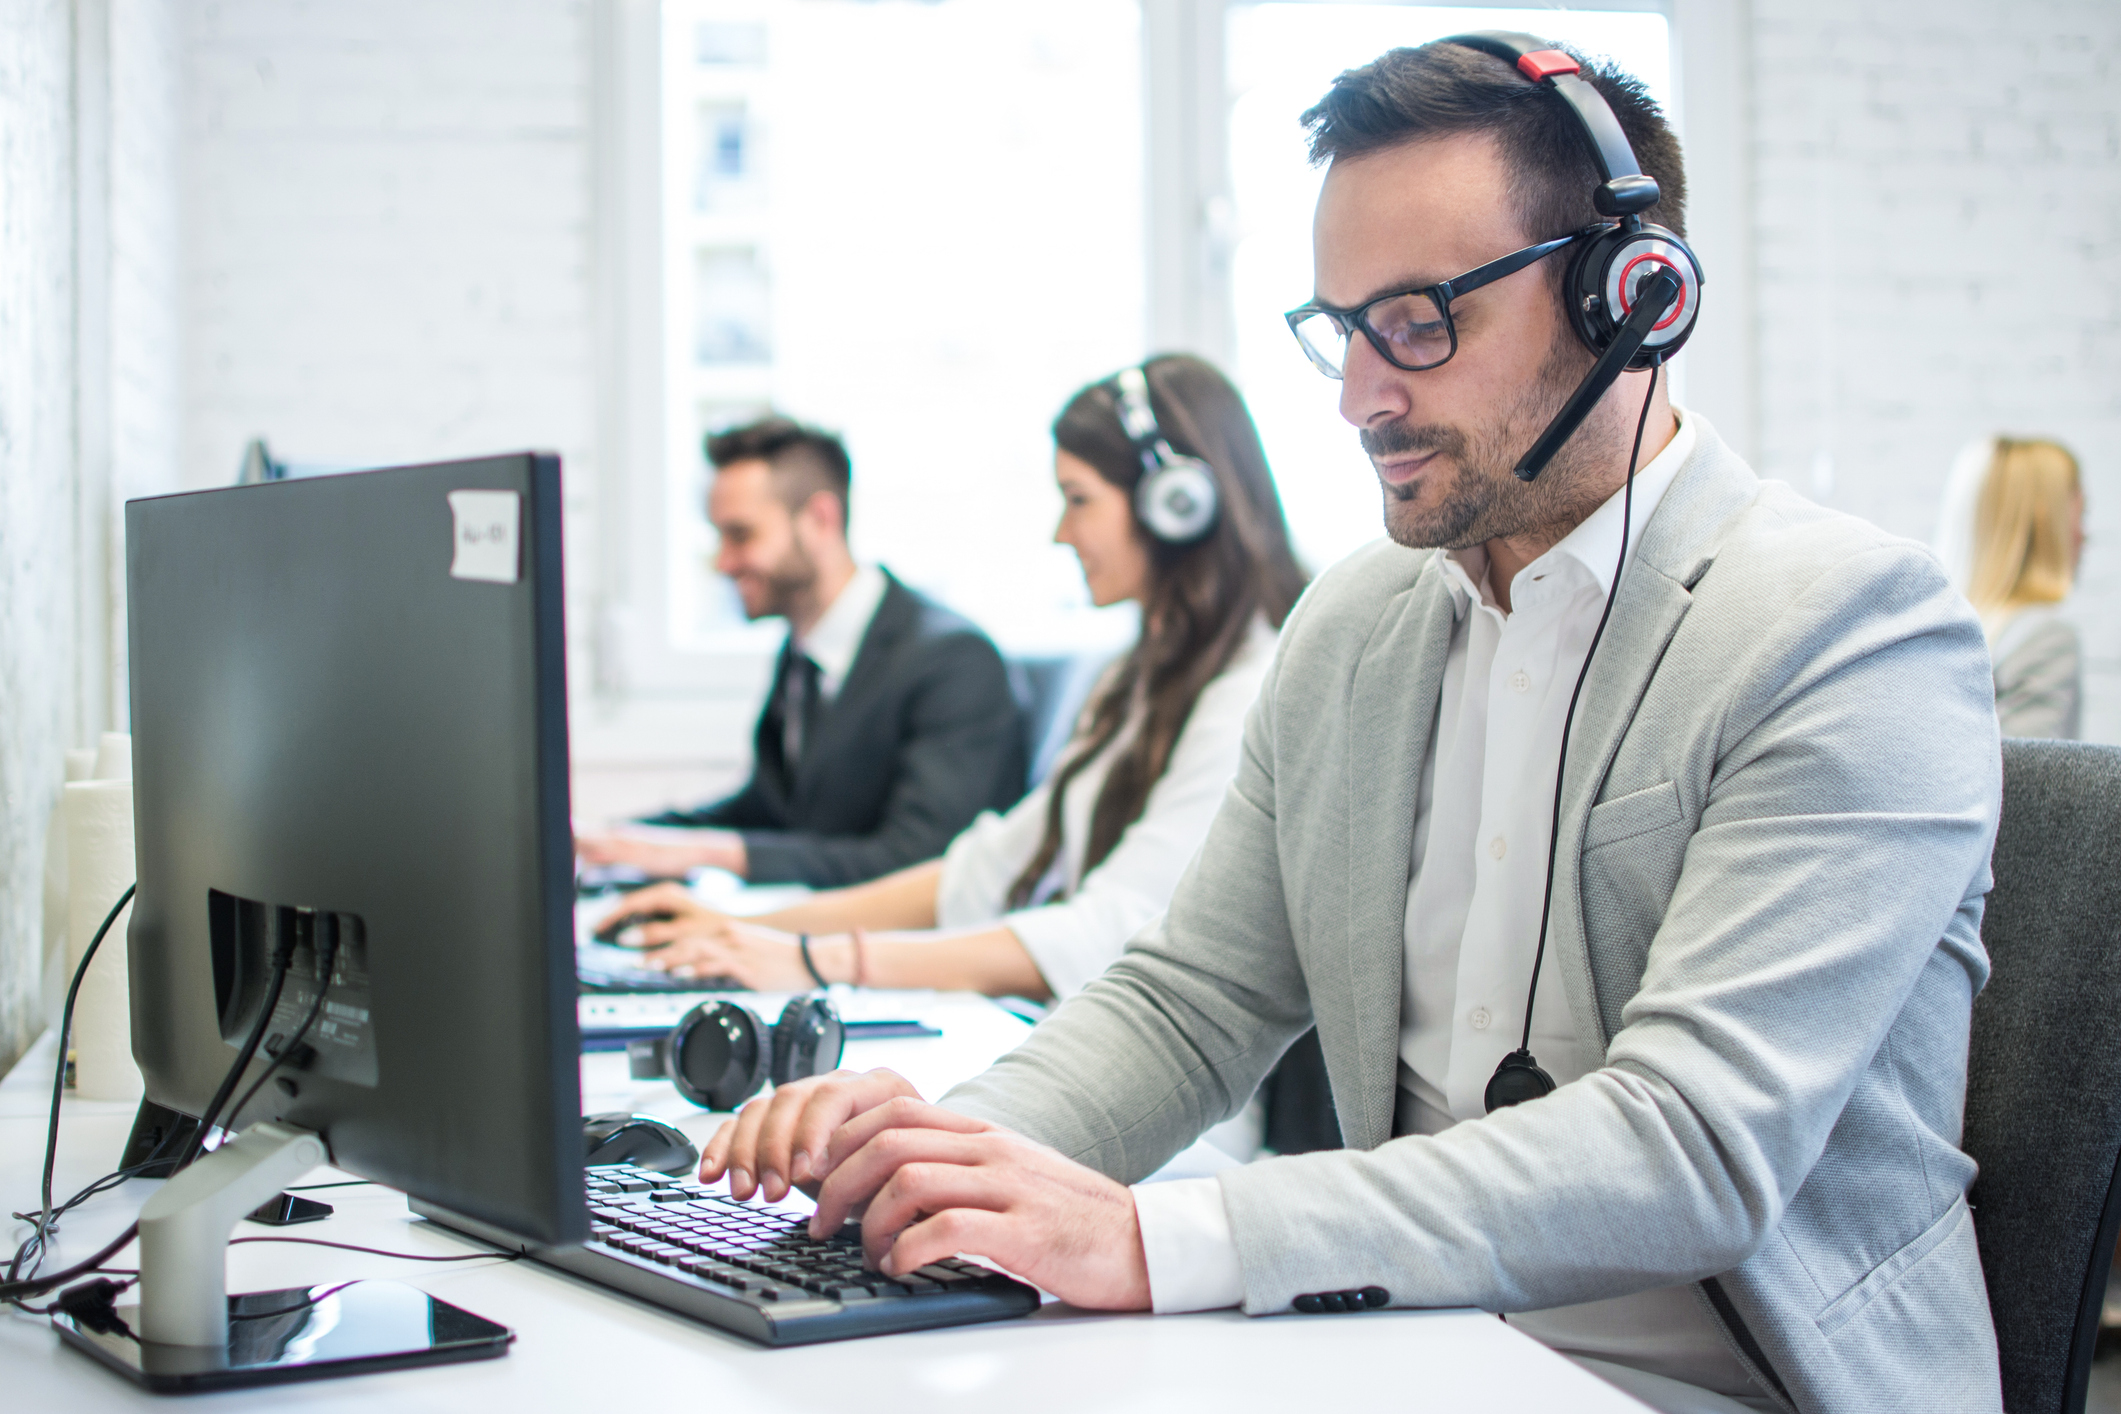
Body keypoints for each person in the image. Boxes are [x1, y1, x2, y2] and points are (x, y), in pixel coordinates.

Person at [692, 37, 2004, 1414]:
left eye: (1422, 321)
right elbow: (1190, 1003)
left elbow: (1690, 1146)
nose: (1359, 395)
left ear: (1631, 299)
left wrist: (1145, 1237)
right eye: (1340, 328)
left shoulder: (1848, 630)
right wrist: (944, 1151)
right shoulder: (1357, 624)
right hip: (1408, 1343)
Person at [597, 356, 1307, 1013]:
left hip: (1180, 1102)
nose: (1062, 532)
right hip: (1074, 1031)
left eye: (1078, 499)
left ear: (1174, 505)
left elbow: (1105, 929)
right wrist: (743, 926)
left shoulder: (1245, 694)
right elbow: (984, 870)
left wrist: (815, 958)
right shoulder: (1139, 678)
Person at [575, 417, 1025, 888]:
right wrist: (618, 840)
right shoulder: (802, 654)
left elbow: (919, 862)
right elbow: (768, 812)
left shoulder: (953, 662)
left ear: (820, 521)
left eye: (741, 535)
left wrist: (705, 853)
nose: (722, 562)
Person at [1933, 435, 2087, 738]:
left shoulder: (1935, 635)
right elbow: (2029, 781)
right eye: (2080, 515)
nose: (2084, 534)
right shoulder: (2045, 640)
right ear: (2045, 520)